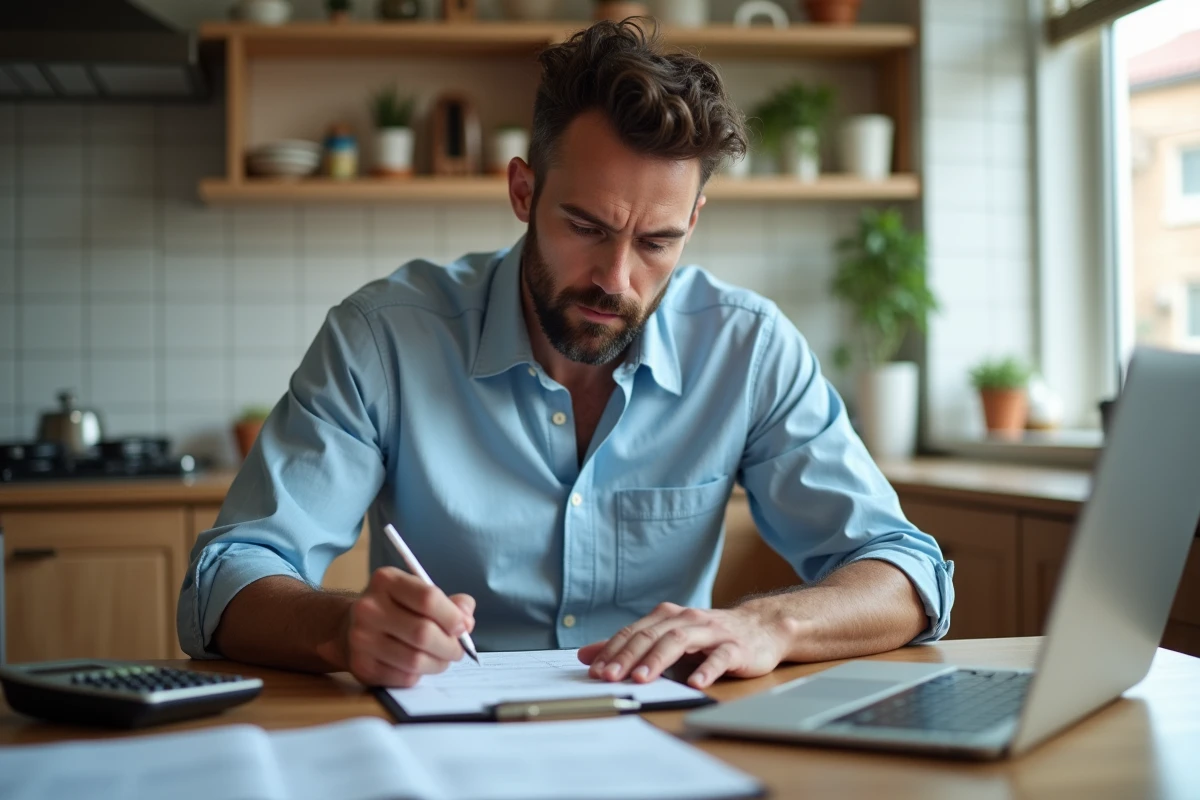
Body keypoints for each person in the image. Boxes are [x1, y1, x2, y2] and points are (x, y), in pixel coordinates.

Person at [178, 20, 953, 691]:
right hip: (449, 755)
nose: (616, 280)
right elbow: (226, 576)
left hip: (668, 747)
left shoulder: (747, 347)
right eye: (585, 226)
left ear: (694, 220)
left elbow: (907, 573)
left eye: (657, 242)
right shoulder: (383, 338)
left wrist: (772, 625)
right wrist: (342, 629)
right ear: (523, 191)